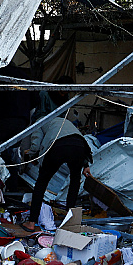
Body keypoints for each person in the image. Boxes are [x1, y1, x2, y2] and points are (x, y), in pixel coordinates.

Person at [21, 89, 92, 232]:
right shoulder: (64, 121)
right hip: (80, 146)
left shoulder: (40, 121)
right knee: (74, 183)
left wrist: (31, 156)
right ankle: (69, 222)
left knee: (41, 183)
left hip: (57, 146)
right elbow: (75, 140)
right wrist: (85, 164)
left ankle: (31, 222)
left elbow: (36, 144)